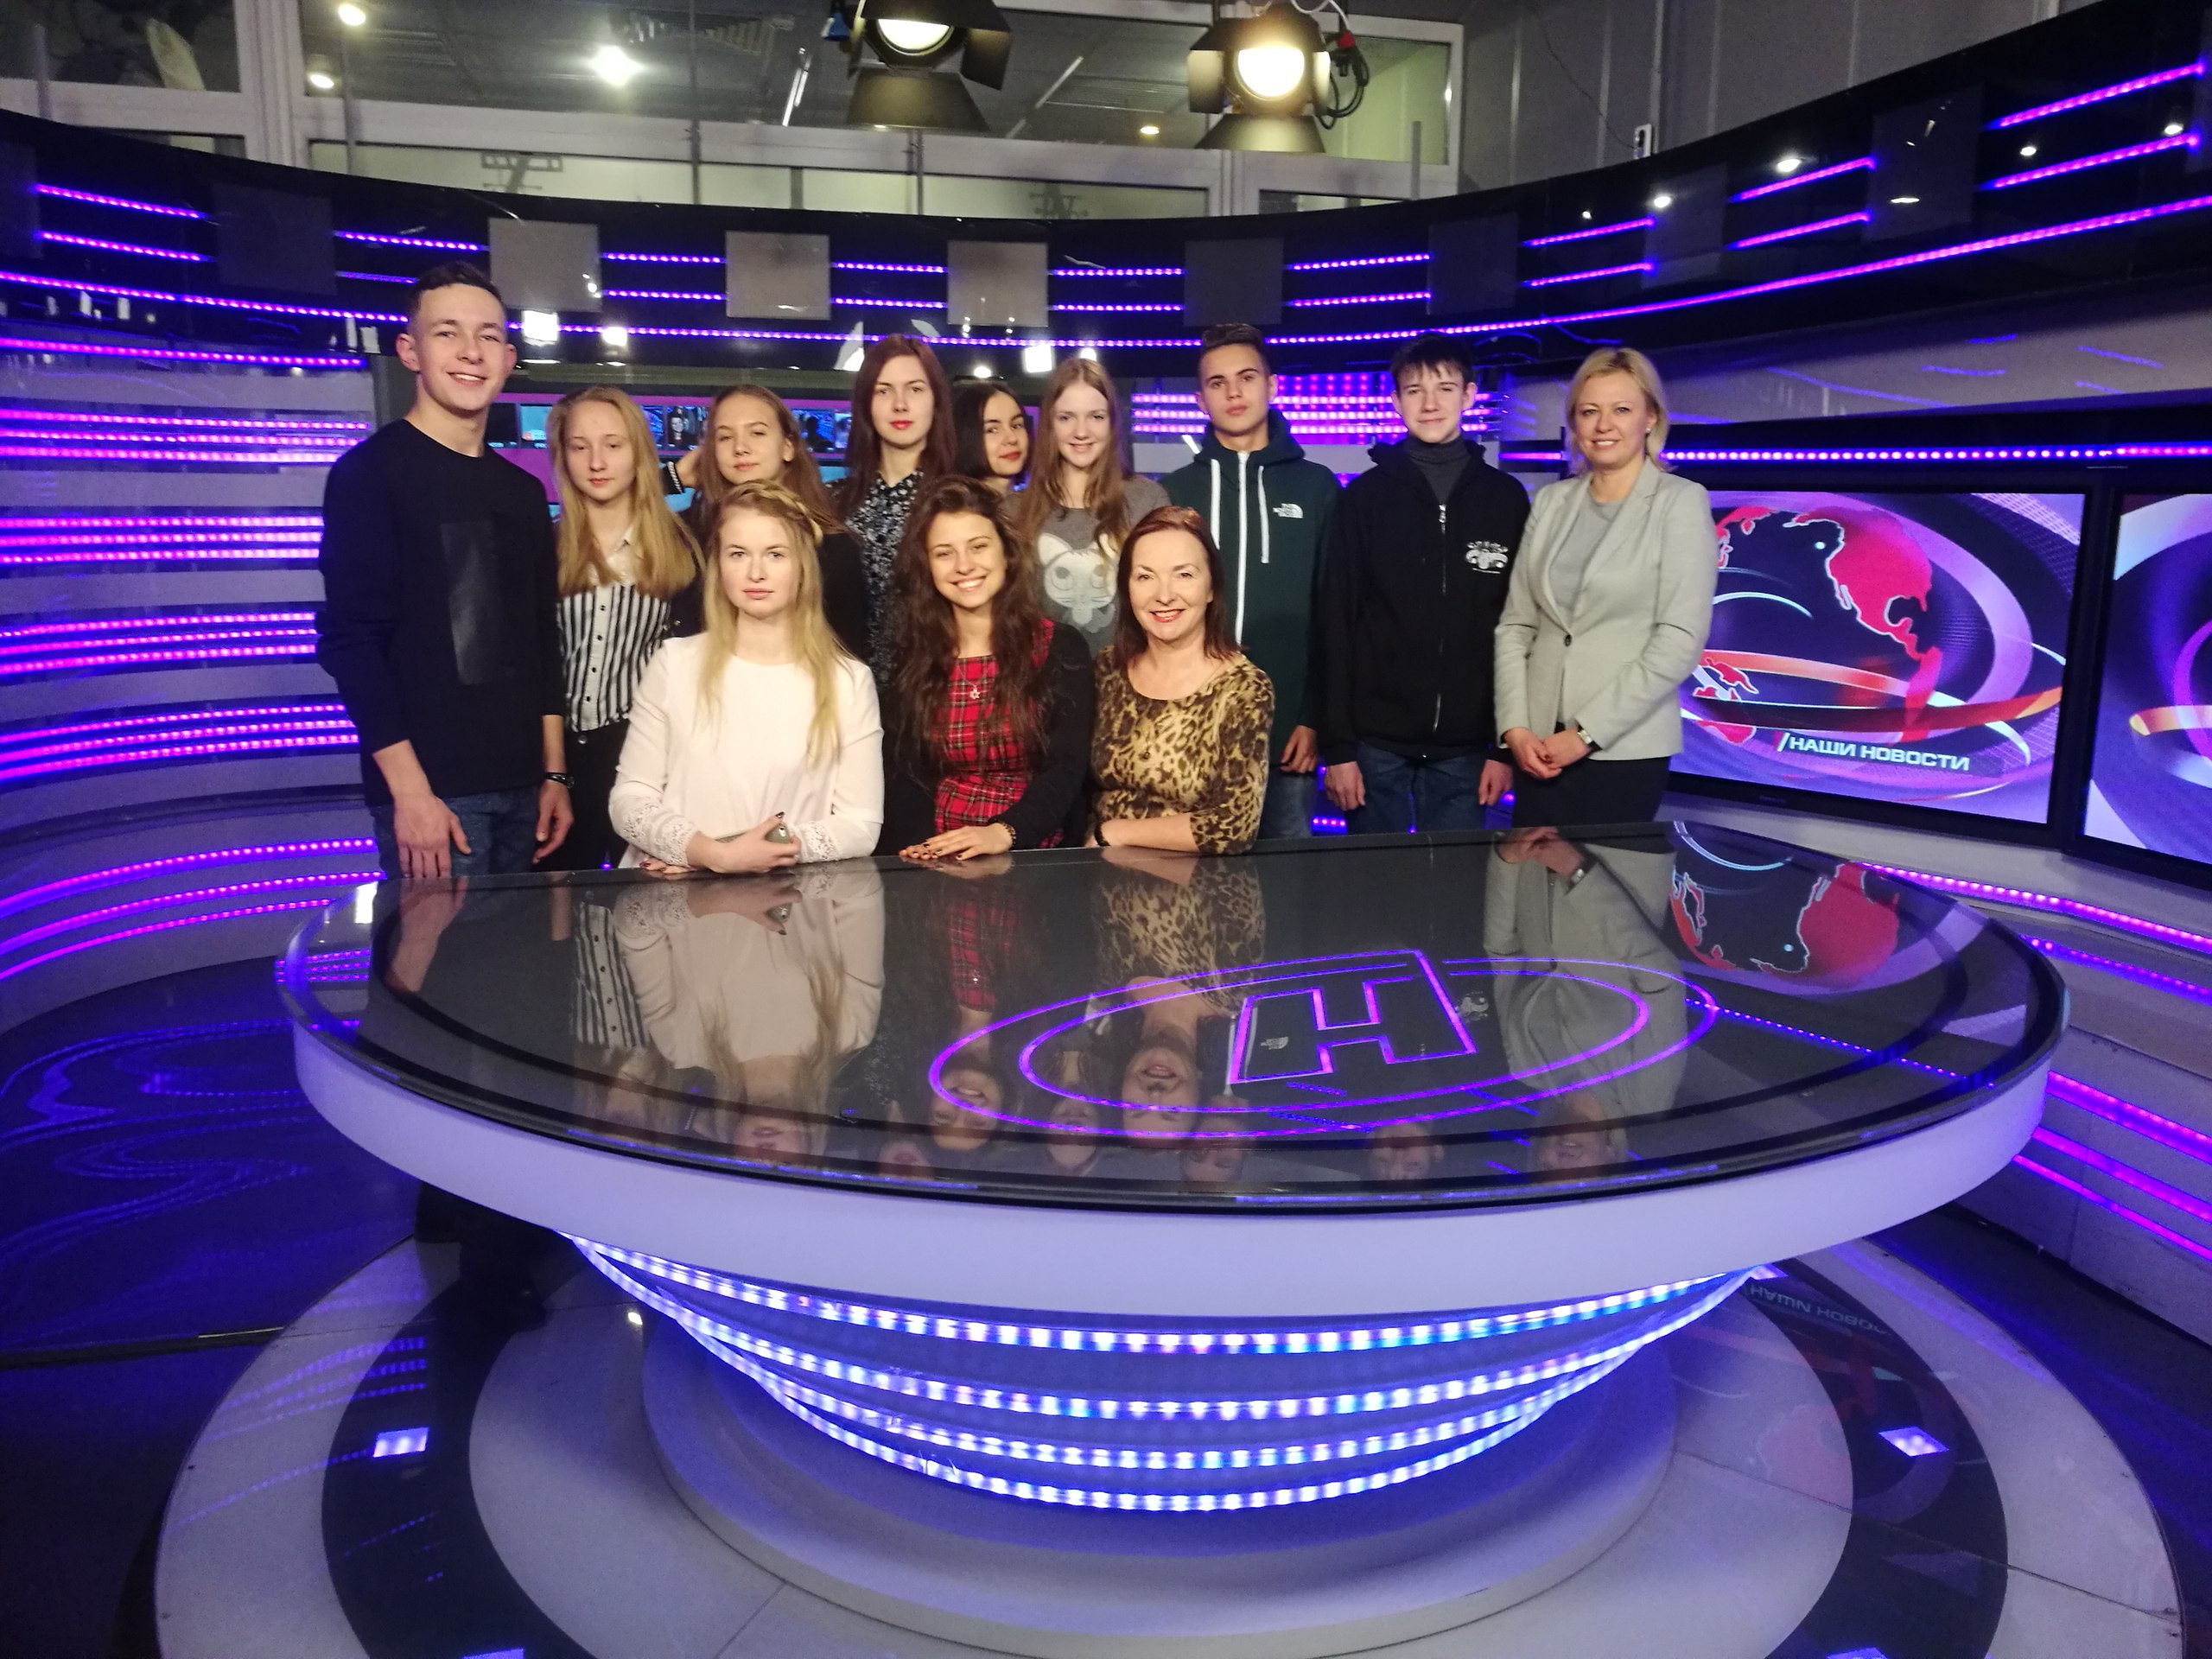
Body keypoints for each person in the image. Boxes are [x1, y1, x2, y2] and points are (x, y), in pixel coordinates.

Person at [317, 262, 570, 879]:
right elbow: (351, 643)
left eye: (487, 336)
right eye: (447, 333)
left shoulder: (522, 492)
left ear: (508, 359)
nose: (470, 352)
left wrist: (555, 774)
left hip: (528, 790)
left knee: (527, 945)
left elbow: (542, 638)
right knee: (440, 946)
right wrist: (409, 794)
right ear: (410, 351)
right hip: (435, 795)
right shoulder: (368, 476)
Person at [1318, 333, 1531, 838]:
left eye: (1445, 388)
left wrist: (1503, 747)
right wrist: (1340, 749)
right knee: (1373, 880)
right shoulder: (1363, 499)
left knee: (1457, 883)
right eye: (1414, 391)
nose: (1430, 403)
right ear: (1396, 401)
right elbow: (1335, 622)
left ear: (1470, 395)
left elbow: (1521, 626)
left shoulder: (1504, 499)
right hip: (1374, 746)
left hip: (1468, 748)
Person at [610, 480, 882, 872]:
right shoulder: (675, 663)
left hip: (784, 898)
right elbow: (631, 797)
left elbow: (860, 825)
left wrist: (739, 853)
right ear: (719, 565)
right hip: (671, 889)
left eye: (775, 554)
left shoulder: (848, 682)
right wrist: (706, 853)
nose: (756, 572)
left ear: (803, 567)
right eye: (738, 554)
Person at [1496, 346, 1717, 827]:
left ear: (1650, 418)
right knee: (1529, 874)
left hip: (1623, 751)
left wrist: (1585, 735)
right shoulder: (1551, 502)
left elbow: (1679, 639)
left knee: (1609, 878)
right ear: (1574, 423)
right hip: (1536, 749)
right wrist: (1514, 727)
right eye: (1589, 411)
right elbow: (1516, 625)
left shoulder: (1680, 502)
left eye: (1621, 410)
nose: (1603, 425)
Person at [1161, 324, 1338, 839]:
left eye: (1246, 377)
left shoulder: (1317, 486)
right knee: (1188, 875)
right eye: (1217, 383)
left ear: (1272, 385)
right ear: (1200, 400)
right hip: (1190, 726)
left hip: (1287, 733)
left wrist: (1314, 718)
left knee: (1286, 877)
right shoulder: (1174, 491)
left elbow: (1332, 612)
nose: (1234, 392)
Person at [880, 475, 1095, 859]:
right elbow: (906, 780)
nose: (964, 565)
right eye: (944, 553)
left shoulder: (1060, 647)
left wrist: (1005, 832)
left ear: (1006, 552)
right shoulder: (915, 659)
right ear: (927, 566)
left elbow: (1067, 769)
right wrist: (924, 856)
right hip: (940, 856)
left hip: (1035, 855)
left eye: (978, 546)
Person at [541, 386, 702, 872]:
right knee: (555, 902)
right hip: (554, 758)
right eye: (580, 446)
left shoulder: (681, 547)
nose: (597, 461)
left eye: (613, 444)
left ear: (639, 452)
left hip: (640, 756)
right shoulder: (543, 545)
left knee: (647, 903)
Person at [1089, 506, 1271, 855]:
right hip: (1097, 871)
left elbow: (1234, 827)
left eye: (1184, 575)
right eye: (1145, 577)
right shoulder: (1107, 669)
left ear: (1211, 588)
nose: (1164, 595)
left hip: (1196, 879)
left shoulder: (1244, 688)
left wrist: (1115, 832)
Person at [666, 384, 869, 661]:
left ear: (788, 446)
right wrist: (671, 479)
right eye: (725, 437)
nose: (740, 448)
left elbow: (850, 657)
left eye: (757, 433)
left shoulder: (831, 545)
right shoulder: (686, 535)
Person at [1015, 358, 1169, 655]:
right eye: (1066, 418)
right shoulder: (1014, 510)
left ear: (1112, 422)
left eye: (1096, 417)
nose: (1081, 431)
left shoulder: (1146, 501)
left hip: (1127, 675)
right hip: (1042, 679)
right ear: (1049, 424)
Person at [836, 335, 957, 676]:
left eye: (915, 389)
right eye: (883, 391)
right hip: (846, 687)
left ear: (936, 401)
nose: (900, 404)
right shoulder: (831, 502)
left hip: (938, 687)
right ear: (866, 404)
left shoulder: (960, 501)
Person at [950, 378, 1031, 494]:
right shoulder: (951, 504)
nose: (1012, 439)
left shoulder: (1037, 502)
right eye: (992, 430)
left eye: (1016, 425)